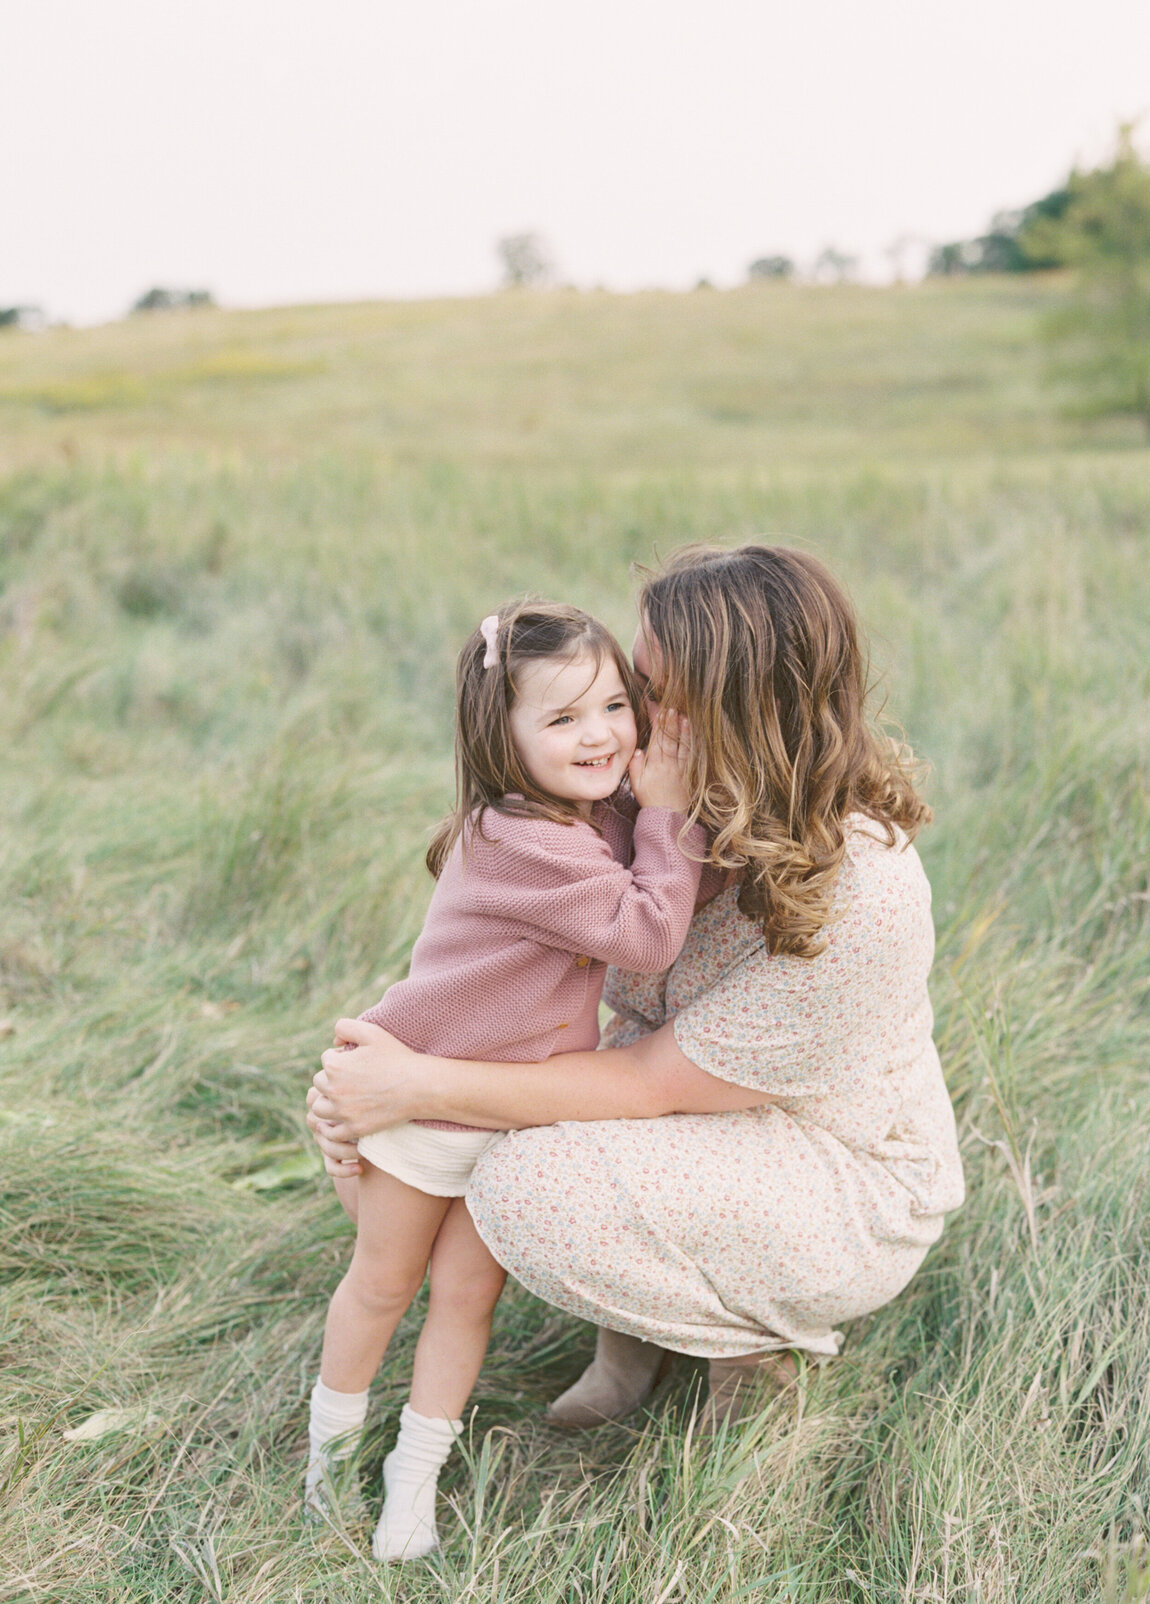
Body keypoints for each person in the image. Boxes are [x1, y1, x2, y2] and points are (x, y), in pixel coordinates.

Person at [308, 544, 965, 1465]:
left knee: (527, 1188)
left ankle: (751, 1347)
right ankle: (639, 1334)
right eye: (630, 687)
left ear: (736, 704)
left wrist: (416, 1085)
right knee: (515, 1144)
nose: (627, 722)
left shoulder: (865, 894)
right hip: (680, 1118)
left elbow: (654, 1081)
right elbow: (497, 969)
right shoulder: (648, 800)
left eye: (648, 692)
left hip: (832, 1170)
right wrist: (369, 1071)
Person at [305, 599, 702, 1562]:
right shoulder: (516, 838)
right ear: (504, 733)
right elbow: (648, 928)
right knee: (383, 1285)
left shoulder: (597, 811)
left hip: (514, 1116)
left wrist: (658, 812)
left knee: (465, 1300)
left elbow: (666, 885)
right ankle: (326, 1460)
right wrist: (671, 810)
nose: (601, 734)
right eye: (562, 720)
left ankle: (416, 1473)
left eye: (614, 704)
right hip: (426, 1097)